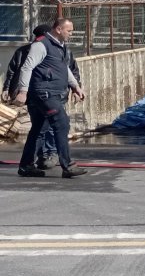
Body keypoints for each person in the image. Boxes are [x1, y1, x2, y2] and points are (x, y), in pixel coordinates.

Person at [15, 17, 86, 179]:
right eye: (69, 31)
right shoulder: (41, 45)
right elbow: (27, 67)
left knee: (39, 129)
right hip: (44, 94)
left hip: (51, 93)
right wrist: (23, 91)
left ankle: (26, 166)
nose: (71, 34)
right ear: (58, 29)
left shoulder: (60, 46)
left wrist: (75, 86)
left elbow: (65, 68)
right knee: (62, 123)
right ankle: (67, 165)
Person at [5, 25, 58, 170]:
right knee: (42, 128)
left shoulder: (56, 49)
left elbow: (69, 68)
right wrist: (12, 90)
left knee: (46, 127)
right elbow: (16, 70)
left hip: (46, 94)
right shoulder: (27, 51)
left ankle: (45, 155)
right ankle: (39, 158)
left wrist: (74, 85)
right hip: (38, 95)